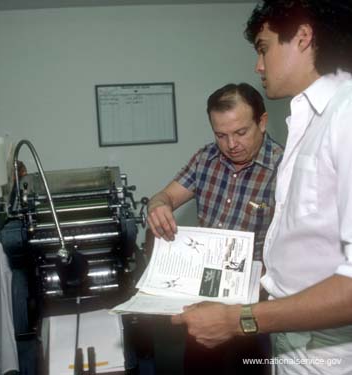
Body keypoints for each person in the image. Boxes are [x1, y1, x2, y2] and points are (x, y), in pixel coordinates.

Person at [171, 1, 352, 374]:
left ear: (302, 37)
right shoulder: (309, 123)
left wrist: (238, 320)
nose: (258, 65)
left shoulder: (346, 117)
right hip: (292, 340)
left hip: (330, 351)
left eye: (263, 47)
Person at [147, 82, 282, 374]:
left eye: (240, 132)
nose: (231, 144)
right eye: (221, 135)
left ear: (262, 121)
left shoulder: (284, 169)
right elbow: (165, 195)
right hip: (203, 302)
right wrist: (158, 206)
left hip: (251, 312)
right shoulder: (205, 159)